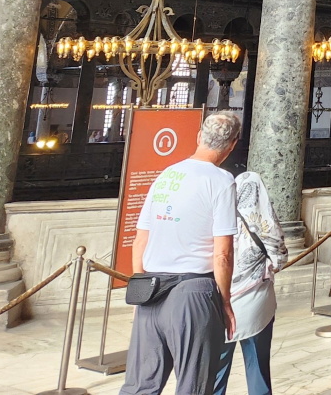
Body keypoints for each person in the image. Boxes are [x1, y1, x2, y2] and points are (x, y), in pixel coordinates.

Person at [121, 110, 241, 395]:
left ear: (199, 137)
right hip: (192, 291)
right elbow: (222, 253)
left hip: (151, 288)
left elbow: (140, 241)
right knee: (194, 384)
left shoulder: (166, 175)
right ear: (233, 144)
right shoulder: (222, 181)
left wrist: (143, 286)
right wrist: (225, 303)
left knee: (140, 385)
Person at [213, 169, 286, 395]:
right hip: (257, 302)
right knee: (258, 365)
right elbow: (279, 257)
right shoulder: (265, 224)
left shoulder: (220, 219)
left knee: (216, 369)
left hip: (224, 300)